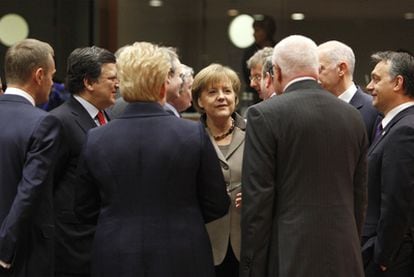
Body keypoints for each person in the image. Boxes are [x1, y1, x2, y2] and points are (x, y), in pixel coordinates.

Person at [75, 42, 230, 277]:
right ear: (162, 86)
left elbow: (84, 210)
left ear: (122, 85)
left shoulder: (96, 138)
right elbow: (217, 203)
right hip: (183, 254)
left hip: (115, 254)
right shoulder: (191, 134)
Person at [240, 35, 368, 277]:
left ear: (276, 72)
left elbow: (258, 202)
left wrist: (250, 268)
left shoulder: (263, 115)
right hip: (345, 254)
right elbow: (360, 196)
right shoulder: (352, 116)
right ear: (316, 70)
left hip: (288, 255)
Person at [50, 46, 118, 277]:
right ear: (89, 83)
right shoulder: (59, 121)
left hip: (104, 236)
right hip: (74, 243)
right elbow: (46, 184)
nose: (117, 85)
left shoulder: (106, 116)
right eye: (111, 78)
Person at [0, 38, 62, 276]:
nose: (52, 83)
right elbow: (29, 191)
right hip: (22, 252)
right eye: (52, 75)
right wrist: (5, 248)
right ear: (38, 75)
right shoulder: (43, 123)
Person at [362, 51, 414, 277]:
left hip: (392, 259)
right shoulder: (394, 126)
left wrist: (381, 259)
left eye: (376, 79)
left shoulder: (405, 130)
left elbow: (397, 201)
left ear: (398, 83)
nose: (369, 87)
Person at [191, 63, 244, 277]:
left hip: (247, 240)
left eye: (227, 91)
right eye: (212, 92)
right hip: (205, 239)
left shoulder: (256, 132)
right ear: (200, 101)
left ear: (236, 98)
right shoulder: (189, 137)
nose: (221, 97)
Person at [318, 40, 380, 144]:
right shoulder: (316, 109)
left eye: (320, 69)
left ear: (341, 69)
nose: (315, 76)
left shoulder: (374, 110)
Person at [241, 15, 276, 105]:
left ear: (267, 32)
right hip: (255, 98)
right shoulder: (249, 53)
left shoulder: (279, 49)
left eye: (257, 30)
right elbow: (247, 78)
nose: (254, 34)